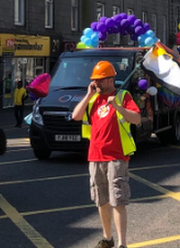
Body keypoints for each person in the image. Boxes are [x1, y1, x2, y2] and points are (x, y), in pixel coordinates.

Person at [71, 61, 142, 248]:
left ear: (111, 80)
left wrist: (118, 107)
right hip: (95, 156)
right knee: (101, 201)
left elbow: (136, 119)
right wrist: (88, 95)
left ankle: (122, 243)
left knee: (118, 200)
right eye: (95, 80)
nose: (97, 84)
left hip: (117, 156)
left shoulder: (123, 96)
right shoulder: (93, 99)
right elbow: (76, 116)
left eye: (100, 80)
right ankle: (107, 238)